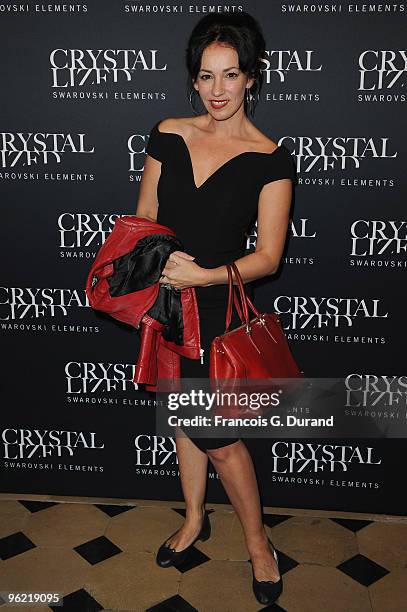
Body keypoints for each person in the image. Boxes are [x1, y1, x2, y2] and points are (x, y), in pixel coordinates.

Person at [135, 11, 296, 606]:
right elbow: (146, 216)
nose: (219, 90)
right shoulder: (169, 133)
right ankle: (195, 518)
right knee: (183, 420)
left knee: (222, 439)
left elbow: (269, 257)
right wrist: (157, 265)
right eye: (207, 76)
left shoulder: (269, 157)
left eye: (232, 75)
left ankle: (258, 544)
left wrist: (202, 273)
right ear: (193, 81)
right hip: (169, 305)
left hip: (220, 312)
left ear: (252, 78)